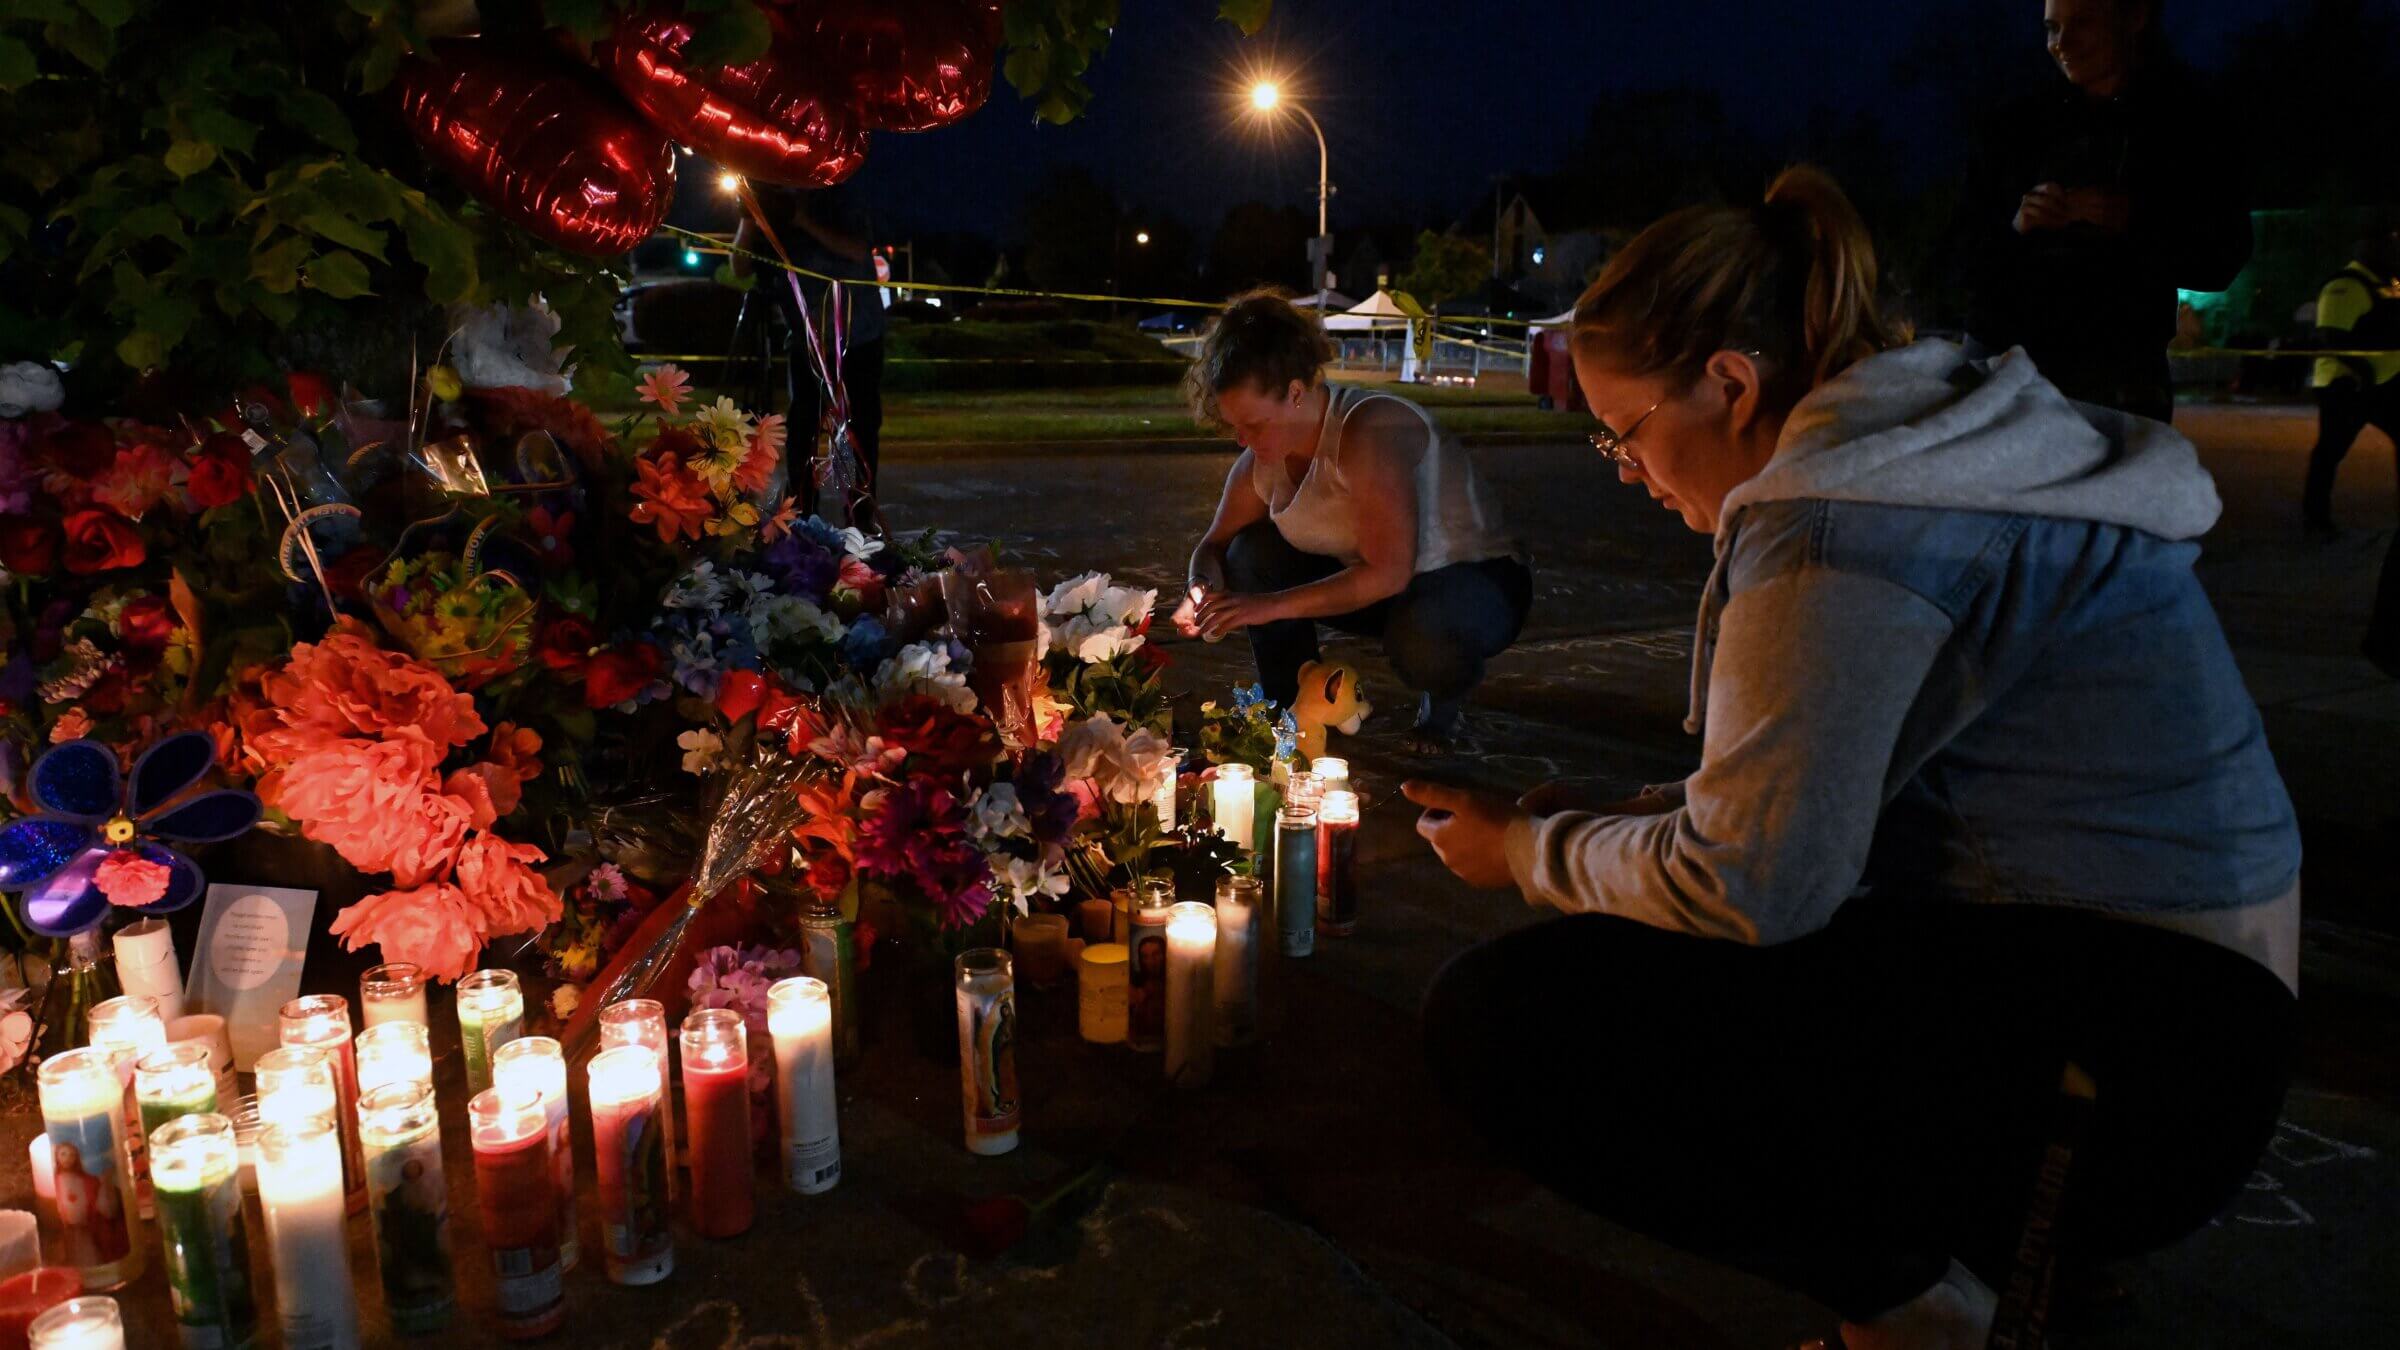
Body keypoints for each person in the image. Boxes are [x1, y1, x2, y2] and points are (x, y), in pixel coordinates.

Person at [1406, 167, 2299, 1350]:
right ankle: (1984, 1260)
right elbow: (1826, 778)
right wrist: (1632, 817)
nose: (1629, 472)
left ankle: (1927, 1314)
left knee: (1510, 1022)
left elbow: (1756, 883)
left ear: (1729, 384)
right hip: (2192, 996)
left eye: (1624, 435)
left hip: (2131, 1065)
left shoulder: (1841, 522)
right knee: (1650, 917)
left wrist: (1528, 851)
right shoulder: (1926, 446)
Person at [1171, 290, 1530, 745]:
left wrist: (1266, 607)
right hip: (1392, 592)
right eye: (1233, 427)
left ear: (1295, 393)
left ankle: (1444, 697)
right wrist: (1200, 589)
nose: (1242, 440)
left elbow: (1388, 573)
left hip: (1477, 585)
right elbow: (1215, 545)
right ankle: (1294, 708)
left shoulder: (1366, 430)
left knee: (1421, 640)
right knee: (1251, 551)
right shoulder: (1260, 463)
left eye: (1254, 424)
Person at [1953, 0, 2251, 420]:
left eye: (2082, 24)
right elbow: (1963, 261)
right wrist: (2018, 227)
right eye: (2052, 28)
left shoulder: (2187, 129)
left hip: (2119, 380)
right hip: (2005, 372)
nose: (2062, 44)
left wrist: (2132, 221)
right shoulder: (2013, 129)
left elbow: (2224, 256)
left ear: (2134, 16)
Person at [733, 178, 888, 527]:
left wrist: (801, 219)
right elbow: (739, 267)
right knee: (802, 430)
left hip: (857, 335)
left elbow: (857, 249)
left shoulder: (838, 190)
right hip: (805, 340)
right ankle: (801, 519)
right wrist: (749, 218)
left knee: (856, 431)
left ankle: (860, 521)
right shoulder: (768, 195)